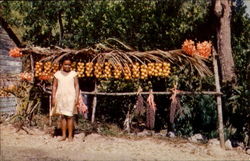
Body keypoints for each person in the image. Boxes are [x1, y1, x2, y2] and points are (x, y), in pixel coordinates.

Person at [52, 57, 79, 142]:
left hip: (71, 97)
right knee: (63, 116)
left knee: (70, 116)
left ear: (71, 65)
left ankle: (70, 136)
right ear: (62, 65)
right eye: (65, 64)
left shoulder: (73, 74)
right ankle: (63, 135)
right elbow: (54, 86)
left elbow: (77, 85)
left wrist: (77, 97)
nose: (67, 66)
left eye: (69, 65)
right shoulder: (57, 74)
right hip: (60, 97)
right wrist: (53, 97)